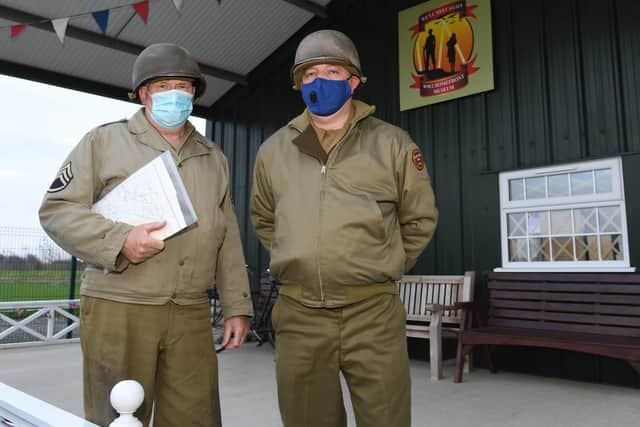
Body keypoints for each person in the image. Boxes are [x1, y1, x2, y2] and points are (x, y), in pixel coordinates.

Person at [39, 43, 253, 427]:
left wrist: (237, 304)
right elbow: (57, 210)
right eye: (164, 85)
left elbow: (228, 235)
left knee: (197, 416)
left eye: (184, 86)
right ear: (143, 93)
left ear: (194, 93)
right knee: (117, 416)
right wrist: (119, 239)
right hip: (120, 304)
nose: (176, 94)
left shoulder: (213, 157)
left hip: (190, 310)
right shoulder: (103, 142)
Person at [250, 30, 438, 427]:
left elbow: (419, 219)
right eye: (310, 73)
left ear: (353, 81)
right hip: (299, 316)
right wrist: (300, 256)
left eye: (332, 71)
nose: (320, 81)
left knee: (386, 418)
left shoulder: (393, 144)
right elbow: (264, 219)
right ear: (299, 84)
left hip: (373, 313)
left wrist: (382, 263)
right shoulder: (272, 152)